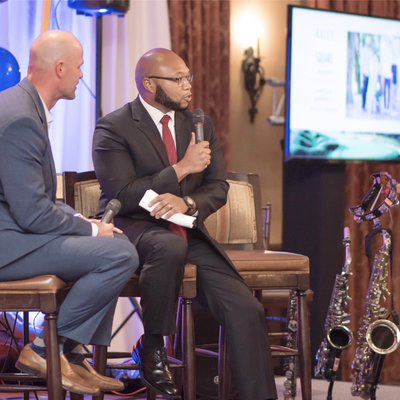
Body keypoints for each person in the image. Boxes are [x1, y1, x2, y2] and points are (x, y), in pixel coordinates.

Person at [92, 48, 277, 400]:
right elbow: (123, 195)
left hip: (186, 229)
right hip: (134, 229)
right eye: (178, 79)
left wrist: (188, 202)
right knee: (168, 245)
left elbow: (218, 187)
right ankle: (154, 347)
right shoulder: (114, 127)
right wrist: (181, 169)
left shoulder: (198, 124)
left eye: (189, 77)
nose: (188, 85)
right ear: (149, 84)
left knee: (247, 309)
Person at [0, 30, 139, 395]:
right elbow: (32, 213)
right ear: (60, 68)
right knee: (118, 254)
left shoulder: (22, 106)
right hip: (7, 244)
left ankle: (71, 355)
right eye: (79, 67)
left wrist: (82, 222)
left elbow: (34, 199)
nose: (81, 74)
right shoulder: (19, 118)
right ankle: (46, 350)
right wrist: (92, 232)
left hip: (14, 233)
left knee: (113, 245)